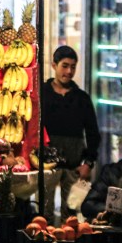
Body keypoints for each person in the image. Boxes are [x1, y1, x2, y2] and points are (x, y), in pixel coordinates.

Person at [40, 45, 100, 224]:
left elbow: (93, 133)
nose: (69, 71)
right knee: (45, 214)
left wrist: (88, 164)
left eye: (73, 67)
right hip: (47, 167)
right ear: (54, 65)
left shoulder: (82, 98)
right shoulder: (42, 94)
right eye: (64, 66)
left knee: (73, 216)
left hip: (74, 166)